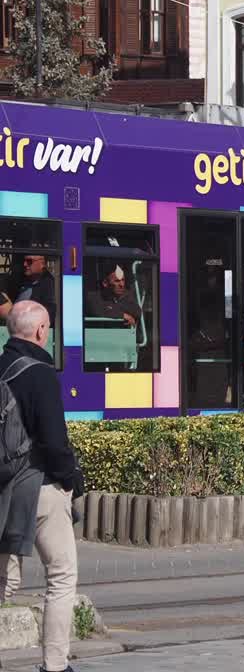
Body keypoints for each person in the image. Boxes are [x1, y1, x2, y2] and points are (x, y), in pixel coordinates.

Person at [0, 301, 83, 672]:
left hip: (2, 489)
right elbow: (53, 441)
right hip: (39, 488)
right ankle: (54, 666)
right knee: (62, 575)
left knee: (4, 580)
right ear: (40, 332)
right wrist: (71, 481)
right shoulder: (40, 373)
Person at [14, 256, 57, 325]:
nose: (25, 264)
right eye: (23, 261)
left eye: (29, 261)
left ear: (42, 263)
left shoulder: (50, 285)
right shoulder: (20, 280)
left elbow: (49, 315)